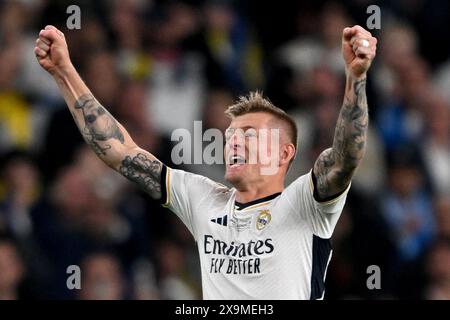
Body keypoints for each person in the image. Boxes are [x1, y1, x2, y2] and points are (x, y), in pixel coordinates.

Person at [34, 24, 376, 299]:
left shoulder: (305, 204)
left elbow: (346, 155)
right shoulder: (203, 198)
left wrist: (356, 77)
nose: (234, 142)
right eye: (232, 136)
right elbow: (119, 151)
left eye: (250, 135)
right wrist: (65, 72)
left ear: (284, 153)